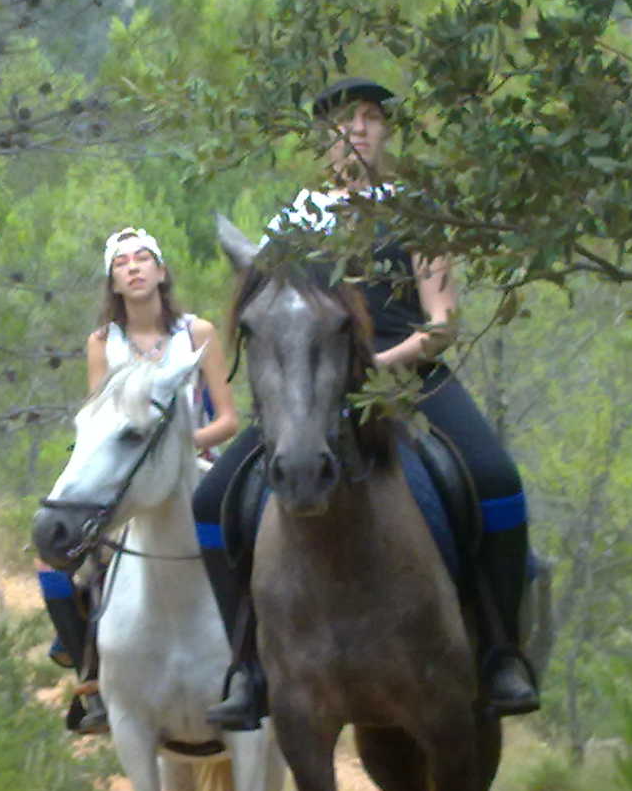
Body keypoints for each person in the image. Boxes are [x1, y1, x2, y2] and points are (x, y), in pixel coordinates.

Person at [195, 77, 541, 730]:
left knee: (496, 477)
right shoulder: (294, 224)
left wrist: (377, 365)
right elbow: (270, 313)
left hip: (404, 373)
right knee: (210, 502)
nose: (356, 130)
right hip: (312, 382)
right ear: (323, 140)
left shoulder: (415, 211)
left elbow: (443, 322)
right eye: (342, 123)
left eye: (370, 119)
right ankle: (248, 663)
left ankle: (500, 652)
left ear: (384, 132)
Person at [36, 226, 239, 732]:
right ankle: (91, 674)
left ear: (162, 272)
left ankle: (262, 660)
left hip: (199, 466)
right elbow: (101, 418)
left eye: (144, 257)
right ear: (114, 281)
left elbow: (229, 419)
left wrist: (174, 449)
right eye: (123, 262)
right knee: (53, 561)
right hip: (130, 475)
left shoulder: (199, 333)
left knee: (255, 536)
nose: (134, 266)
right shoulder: (103, 343)